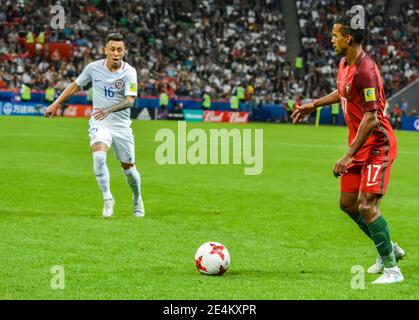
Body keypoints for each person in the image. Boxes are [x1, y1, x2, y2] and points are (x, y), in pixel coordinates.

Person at [291, 12, 405, 284]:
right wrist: (313, 104)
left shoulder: (366, 70)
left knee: (367, 206)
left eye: (334, 36)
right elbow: (342, 92)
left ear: (348, 38)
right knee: (348, 204)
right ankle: (389, 248)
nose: (331, 40)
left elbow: (372, 117)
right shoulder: (345, 63)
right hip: (359, 146)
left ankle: (392, 269)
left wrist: (348, 155)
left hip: (377, 145)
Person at [45, 32, 144, 218]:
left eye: (119, 50)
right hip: (100, 121)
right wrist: (55, 103)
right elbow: (75, 85)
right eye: (112, 49)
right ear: (105, 50)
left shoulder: (129, 71)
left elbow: (130, 100)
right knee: (99, 157)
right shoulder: (93, 68)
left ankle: (137, 199)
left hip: (122, 125)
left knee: (129, 169)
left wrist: (109, 109)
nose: (116, 53)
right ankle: (108, 198)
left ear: (124, 52)